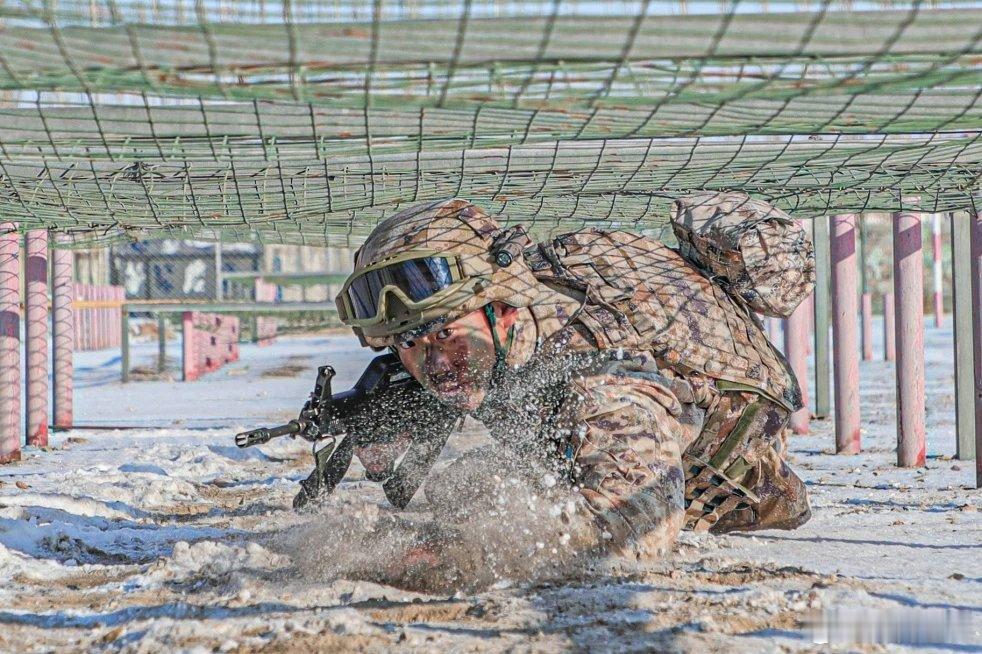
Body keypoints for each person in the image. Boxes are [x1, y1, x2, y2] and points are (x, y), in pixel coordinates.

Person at [318, 195, 815, 589]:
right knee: (463, 486)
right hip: (572, 425)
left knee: (488, 499)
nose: (437, 365)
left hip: (728, 474)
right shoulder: (507, 329)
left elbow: (633, 532)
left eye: (447, 335)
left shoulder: (605, 379)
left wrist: (460, 556)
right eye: (411, 344)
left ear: (505, 311)